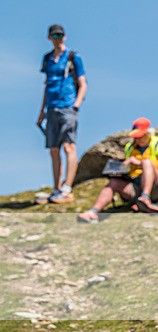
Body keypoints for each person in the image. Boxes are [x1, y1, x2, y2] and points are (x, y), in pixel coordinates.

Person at [77, 118, 158, 223]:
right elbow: (131, 171)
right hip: (137, 185)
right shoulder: (130, 147)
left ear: (148, 133)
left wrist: (139, 163)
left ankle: (145, 198)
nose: (138, 139)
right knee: (113, 183)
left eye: (140, 136)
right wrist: (122, 169)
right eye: (136, 136)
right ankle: (93, 212)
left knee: (147, 162)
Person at [36, 24, 87, 204]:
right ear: (49, 37)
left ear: (65, 36)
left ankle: (67, 187)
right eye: (55, 35)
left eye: (61, 35)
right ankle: (56, 188)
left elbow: (83, 83)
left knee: (68, 146)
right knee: (54, 149)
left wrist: (76, 105)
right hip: (51, 108)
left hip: (67, 106)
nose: (58, 38)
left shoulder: (73, 57)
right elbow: (46, 84)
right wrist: (42, 110)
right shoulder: (47, 59)